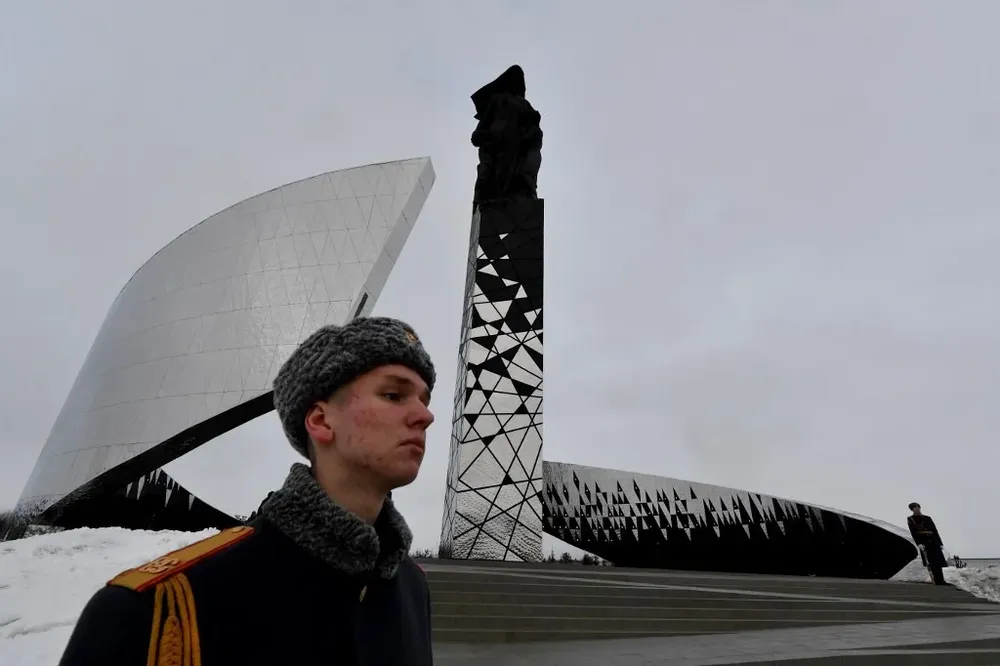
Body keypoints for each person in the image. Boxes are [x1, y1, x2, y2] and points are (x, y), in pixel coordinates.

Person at [58, 317, 437, 666]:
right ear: (321, 421)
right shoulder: (157, 607)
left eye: (424, 399)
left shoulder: (411, 589)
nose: (425, 416)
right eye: (393, 395)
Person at [907, 502, 948, 586]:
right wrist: (919, 543)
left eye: (918, 507)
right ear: (912, 509)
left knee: (938, 562)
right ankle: (937, 581)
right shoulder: (911, 519)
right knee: (931, 562)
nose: (917, 508)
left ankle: (941, 580)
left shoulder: (928, 518)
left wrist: (939, 543)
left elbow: (935, 531)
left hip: (933, 541)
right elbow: (913, 532)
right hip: (924, 542)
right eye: (915, 507)